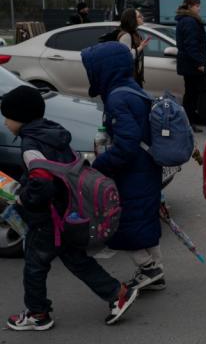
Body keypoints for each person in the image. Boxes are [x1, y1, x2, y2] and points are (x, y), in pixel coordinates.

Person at [2, 85, 138, 330]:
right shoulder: (52, 132)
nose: (4, 122)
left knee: (35, 265)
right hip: (68, 212)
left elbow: (42, 184)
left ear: (20, 118)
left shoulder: (30, 145)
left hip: (47, 219)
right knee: (76, 259)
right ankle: (117, 292)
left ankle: (37, 314)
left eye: (7, 117)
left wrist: (24, 198)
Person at [81, 42, 166, 291]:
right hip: (146, 167)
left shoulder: (117, 97)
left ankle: (149, 268)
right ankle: (155, 271)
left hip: (131, 171)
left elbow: (127, 143)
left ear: (104, 69)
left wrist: (101, 164)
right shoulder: (131, 89)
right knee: (144, 218)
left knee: (126, 221)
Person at [175, 0, 206, 134]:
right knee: (204, 92)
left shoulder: (183, 20)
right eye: (196, 5)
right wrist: (199, 63)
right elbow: (191, 45)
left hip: (187, 65)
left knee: (191, 94)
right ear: (189, 6)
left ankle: (189, 122)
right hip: (194, 65)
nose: (199, 8)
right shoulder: (190, 22)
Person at [117, 8, 150, 87]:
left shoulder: (134, 33)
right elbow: (127, 56)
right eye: (139, 16)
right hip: (129, 77)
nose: (142, 17)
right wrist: (141, 47)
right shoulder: (126, 35)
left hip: (135, 76)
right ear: (132, 19)